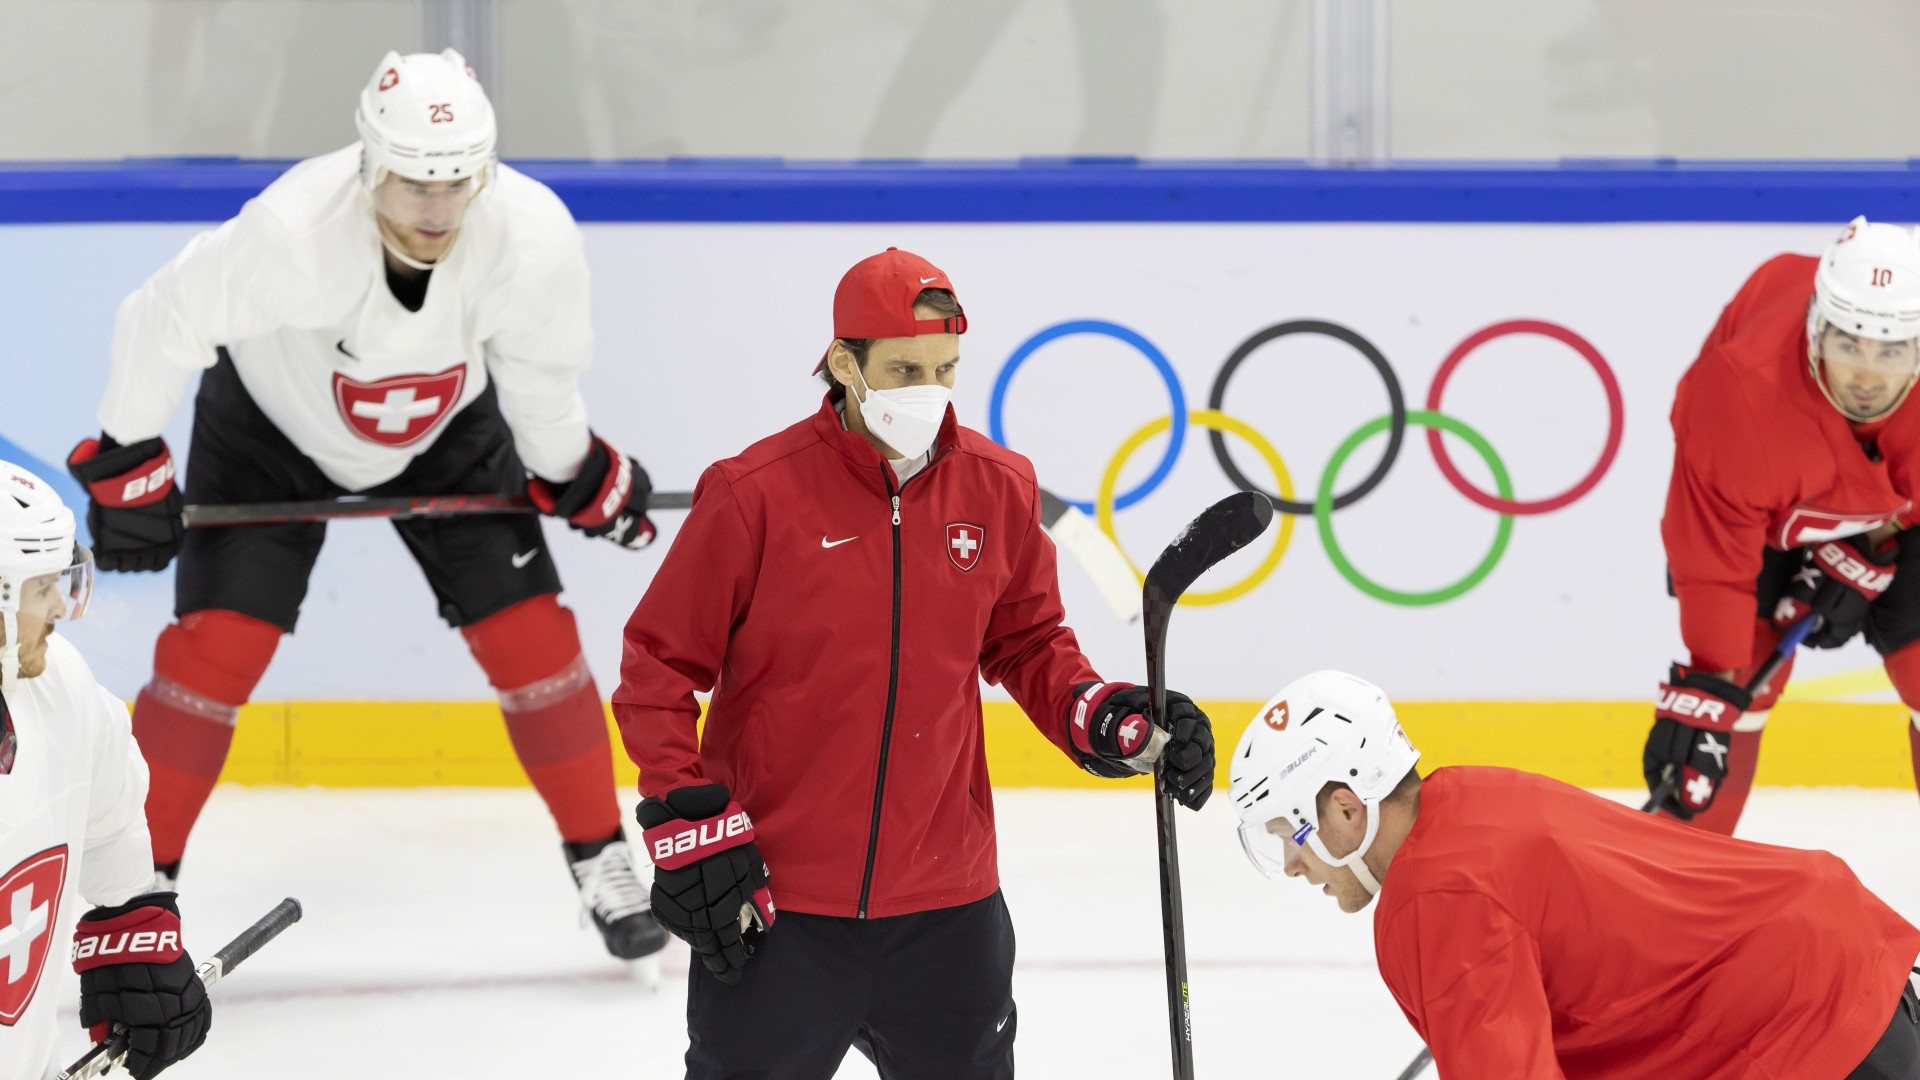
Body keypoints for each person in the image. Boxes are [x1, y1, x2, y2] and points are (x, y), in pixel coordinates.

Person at [64, 49, 663, 963]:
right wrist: (129, 460)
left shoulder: (532, 236)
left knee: (532, 636)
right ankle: (134, 890)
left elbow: (541, 384)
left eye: (458, 183)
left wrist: (576, 470)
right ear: (369, 165)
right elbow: (162, 317)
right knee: (214, 652)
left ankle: (601, 856)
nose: (438, 209)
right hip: (268, 433)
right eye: (415, 183)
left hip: (452, 431)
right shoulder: (293, 231)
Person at [612, 247, 1216, 1079]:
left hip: (948, 913)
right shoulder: (754, 493)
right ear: (843, 363)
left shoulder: (998, 487)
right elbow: (657, 666)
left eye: (945, 370)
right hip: (779, 909)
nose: (928, 392)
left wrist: (1102, 715)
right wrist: (684, 819)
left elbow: (1030, 643)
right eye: (904, 370)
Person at [1230, 669, 1920, 1079]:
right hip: (1828, 961)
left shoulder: (1434, 897)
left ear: (1346, 808)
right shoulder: (1463, 796)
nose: (1292, 864)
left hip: (1806, 1024)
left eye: (1290, 835)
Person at [1647, 215, 1920, 831]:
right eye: (1848, 344)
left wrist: (1874, 543)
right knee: (1739, 683)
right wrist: (1711, 693)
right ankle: (1689, 874)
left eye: (1891, 351)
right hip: (1766, 500)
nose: (1868, 377)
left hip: (1895, 511)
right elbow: (1713, 558)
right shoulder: (1740, 392)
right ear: (1815, 327)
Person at [0, 462, 213, 1080]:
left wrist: (130, 930)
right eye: (42, 588)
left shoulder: (62, 685)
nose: (59, 607)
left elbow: (108, 816)